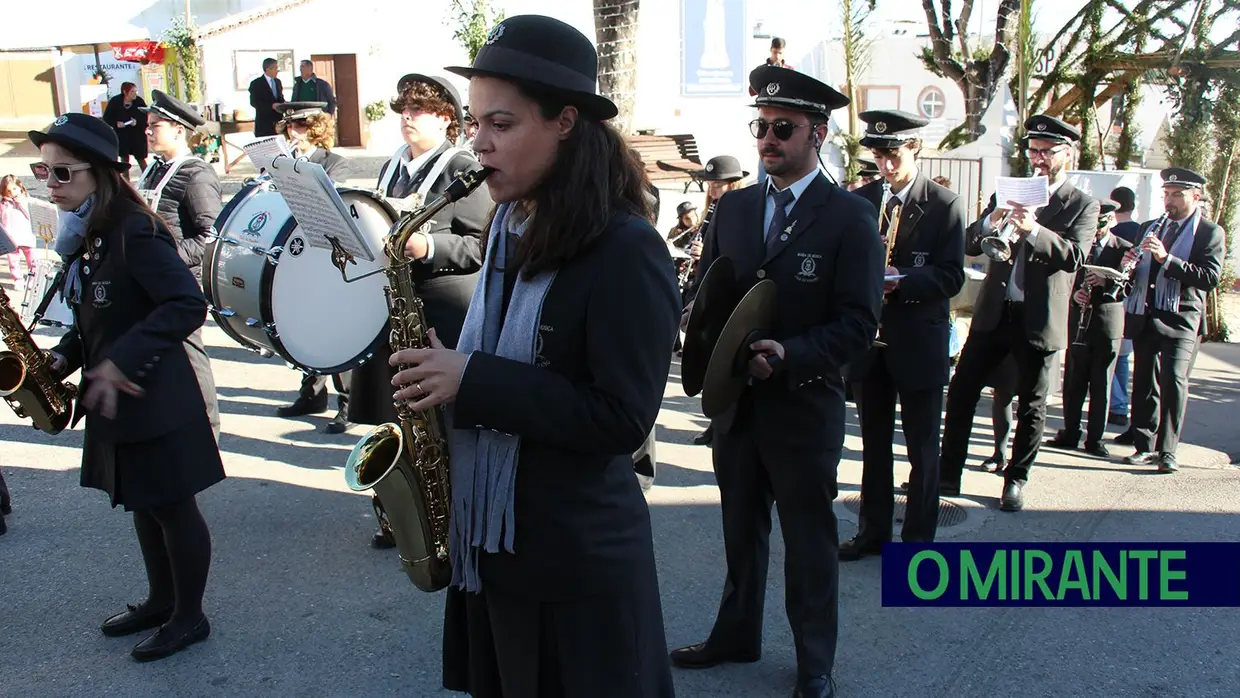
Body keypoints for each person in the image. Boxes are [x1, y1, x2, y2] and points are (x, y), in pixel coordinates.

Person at [382, 15, 679, 697]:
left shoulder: (626, 249)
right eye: (475, 124)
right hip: (495, 552)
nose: (479, 144)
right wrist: (440, 373)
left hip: (573, 568)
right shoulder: (510, 224)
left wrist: (472, 379)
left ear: (566, 121)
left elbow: (621, 420)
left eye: (502, 125)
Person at [671, 64, 882, 698]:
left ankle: (815, 660)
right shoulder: (733, 208)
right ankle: (737, 633)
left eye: (782, 128)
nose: (767, 139)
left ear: (817, 133)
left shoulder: (849, 217)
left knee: (809, 540)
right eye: (760, 126)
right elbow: (711, 293)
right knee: (740, 529)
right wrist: (698, 330)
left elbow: (858, 323)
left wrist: (789, 353)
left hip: (802, 405)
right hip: (736, 405)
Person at [29, 113, 223, 661]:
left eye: (62, 173)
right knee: (144, 502)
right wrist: (63, 357)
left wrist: (121, 361)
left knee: (172, 507)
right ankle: (162, 600)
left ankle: (190, 616)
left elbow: (187, 304)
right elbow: (98, 318)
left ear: (101, 174)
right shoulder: (91, 233)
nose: (50, 185)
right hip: (122, 398)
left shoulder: (132, 231)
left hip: (155, 395)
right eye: (44, 171)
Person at [354, 71, 494, 547]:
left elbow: (477, 246)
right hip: (396, 302)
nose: (407, 117)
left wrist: (424, 245)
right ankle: (398, 511)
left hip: (442, 305)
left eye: (420, 109)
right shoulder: (394, 166)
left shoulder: (461, 167)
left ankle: (446, 516)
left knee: (434, 421)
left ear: (446, 118)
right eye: (404, 109)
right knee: (393, 412)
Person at [937, 114, 1098, 512]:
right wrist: (991, 220)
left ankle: (1016, 480)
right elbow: (974, 242)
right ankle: (947, 473)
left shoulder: (1082, 204)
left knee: (1032, 404)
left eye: (1048, 152)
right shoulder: (1013, 190)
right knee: (960, 392)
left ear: (1068, 153)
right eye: (1034, 151)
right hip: (996, 311)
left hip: (1038, 317)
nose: (1039, 159)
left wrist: (1035, 231)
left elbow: (1075, 256)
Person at [839, 109, 965, 560]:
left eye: (893, 154)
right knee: (873, 445)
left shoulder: (945, 204)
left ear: (915, 149)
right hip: (869, 341)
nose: (886, 164)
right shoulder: (862, 199)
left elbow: (951, 276)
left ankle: (917, 543)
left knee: (922, 448)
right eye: (878, 154)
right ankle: (872, 532)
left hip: (917, 337)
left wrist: (904, 278)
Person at [1121, 167, 1225, 473]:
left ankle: (1167, 451)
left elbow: (1210, 277)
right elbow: (1140, 270)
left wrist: (1167, 259)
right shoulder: (1149, 227)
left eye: (1177, 195)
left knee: (1174, 382)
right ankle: (1143, 444)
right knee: (1143, 382)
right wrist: (1130, 262)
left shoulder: (1209, 232)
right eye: (1166, 194)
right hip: (1146, 314)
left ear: (1195, 197)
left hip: (1181, 318)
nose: (1170, 200)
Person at [270, 101, 352, 429]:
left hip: (327, 260)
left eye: (301, 126)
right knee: (303, 326)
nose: (294, 132)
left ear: (317, 127)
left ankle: (347, 401)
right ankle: (312, 392)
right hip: (296, 255)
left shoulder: (335, 163)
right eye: (290, 127)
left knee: (333, 330)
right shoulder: (285, 162)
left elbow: (337, 206)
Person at [1045, 199, 1132, 457]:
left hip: (1107, 321)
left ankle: (1095, 439)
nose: (1096, 231)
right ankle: (1070, 432)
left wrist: (1107, 281)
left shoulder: (1124, 249)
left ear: (1111, 221)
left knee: (1101, 382)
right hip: (1080, 319)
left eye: (1101, 225)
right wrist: (1074, 296)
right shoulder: (1081, 245)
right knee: (1074, 380)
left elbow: (1131, 288)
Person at [682, 154, 749, 447]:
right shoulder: (712, 211)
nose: (712, 190)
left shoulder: (741, 211)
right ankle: (714, 420)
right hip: (707, 287)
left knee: (725, 362)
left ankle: (720, 420)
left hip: (729, 295)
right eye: (710, 184)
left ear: (733, 184)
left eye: (718, 185)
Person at [137, 90, 222, 281]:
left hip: (179, 279)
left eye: (155, 125)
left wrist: (164, 256)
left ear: (178, 131)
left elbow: (213, 238)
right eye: (147, 125)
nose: (147, 131)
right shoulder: (154, 167)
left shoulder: (196, 174)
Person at [1108, 185, 1139, 428]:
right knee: (1123, 356)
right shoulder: (1142, 230)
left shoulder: (1113, 234)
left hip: (1116, 297)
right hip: (1135, 298)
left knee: (1112, 355)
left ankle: (1118, 405)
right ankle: (1121, 405)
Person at [275, 101, 347, 178]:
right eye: (289, 126)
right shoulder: (281, 161)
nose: (292, 133)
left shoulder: (334, 163)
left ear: (315, 128)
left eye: (299, 126)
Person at [102, 82, 148, 173]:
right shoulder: (115, 101)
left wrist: (137, 122)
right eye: (132, 91)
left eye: (136, 91)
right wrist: (116, 123)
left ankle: (149, 179)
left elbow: (146, 116)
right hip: (122, 135)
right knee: (124, 159)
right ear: (125, 92)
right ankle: (126, 181)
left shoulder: (139, 101)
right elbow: (107, 117)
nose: (135, 93)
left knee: (141, 159)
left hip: (137, 135)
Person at [1, 175, 35, 284]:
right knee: (13, 261)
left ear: (20, 186)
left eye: (14, 189)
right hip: (12, 237)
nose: (12, 193)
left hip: (27, 235)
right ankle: (18, 279)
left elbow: (31, 216)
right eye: (8, 191)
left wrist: (19, 202)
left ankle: (32, 279)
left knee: (32, 261)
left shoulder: (26, 200)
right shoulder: (4, 204)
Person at [248, 58, 286, 137]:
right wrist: (271, 106)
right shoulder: (256, 83)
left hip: (278, 123)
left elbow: (280, 98)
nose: (277, 71)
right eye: (275, 69)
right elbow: (254, 102)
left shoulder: (278, 82)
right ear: (268, 69)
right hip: (264, 123)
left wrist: (284, 105)